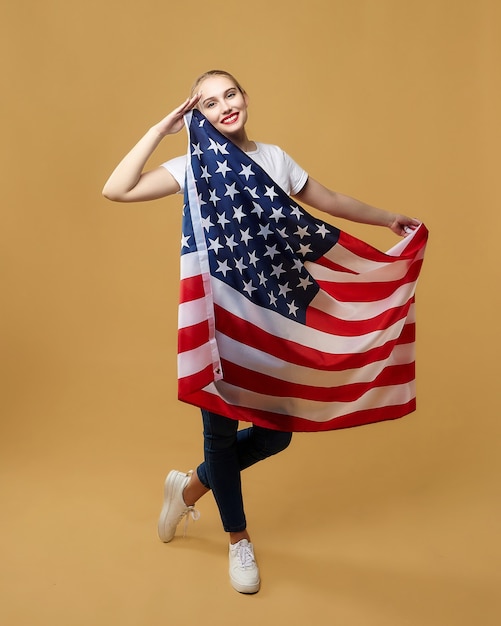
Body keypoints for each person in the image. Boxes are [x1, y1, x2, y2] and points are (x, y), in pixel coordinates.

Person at [102, 69, 420, 594]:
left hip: (272, 319)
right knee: (221, 433)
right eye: (207, 104)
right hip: (218, 317)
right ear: (195, 116)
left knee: (275, 434)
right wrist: (162, 130)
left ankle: (188, 491)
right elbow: (116, 189)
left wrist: (389, 219)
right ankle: (238, 540)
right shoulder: (193, 167)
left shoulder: (274, 158)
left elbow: (330, 201)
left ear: (246, 97)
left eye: (230, 94)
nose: (224, 106)